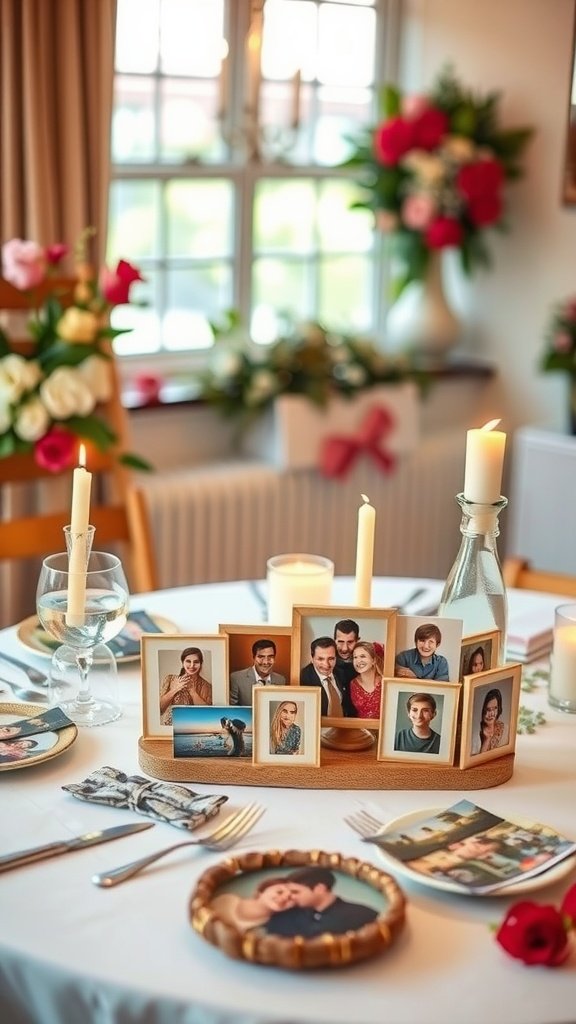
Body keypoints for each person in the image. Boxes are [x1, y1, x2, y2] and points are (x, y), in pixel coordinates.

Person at [264, 866, 378, 938]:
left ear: (320, 888)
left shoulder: (363, 915)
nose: (289, 897)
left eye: (295, 892)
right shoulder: (285, 917)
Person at [211, 877, 296, 933]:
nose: (284, 898)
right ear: (261, 891)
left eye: (290, 898)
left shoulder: (264, 931)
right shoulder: (225, 902)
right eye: (279, 892)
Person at [300, 637, 355, 717]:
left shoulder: (342, 672)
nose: (326, 664)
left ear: (336, 658)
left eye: (331, 659)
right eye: (320, 659)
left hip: (343, 725)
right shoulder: (303, 679)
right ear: (312, 658)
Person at [159, 647, 212, 726]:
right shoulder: (170, 679)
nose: (192, 665)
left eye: (196, 662)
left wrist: (193, 692)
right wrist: (175, 689)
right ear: (182, 662)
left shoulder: (207, 686)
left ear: (201, 664)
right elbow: (160, 710)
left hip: (191, 729)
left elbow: (206, 715)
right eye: (188, 661)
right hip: (169, 729)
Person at [230, 639, 286, 705]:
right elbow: (233, 708)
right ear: (253, 658)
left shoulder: (281, 680)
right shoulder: (237, 678)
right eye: (261, 657)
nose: (266, 662)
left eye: (270, 657)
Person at [349, 641, 384, 719]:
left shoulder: (384, 682)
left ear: (373, 660)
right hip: (361, 728)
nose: (358, 661)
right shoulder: (353, 684)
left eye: (362, 656)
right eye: (355, 657)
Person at [471, 688, 507, 755]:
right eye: (488, 710)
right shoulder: (475, 731)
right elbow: (479, 760)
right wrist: (487, 739)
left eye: (495, 708)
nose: (492, 714)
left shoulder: (504, 728)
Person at [333, 618, 360, 684]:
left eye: (350, 642)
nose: (345, 648)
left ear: (357, 641)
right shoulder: (326, 664)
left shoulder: (365, 664)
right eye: (341, 642)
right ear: (334, 640)